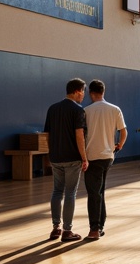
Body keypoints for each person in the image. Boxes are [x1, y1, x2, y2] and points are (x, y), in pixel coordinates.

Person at [44, 78, 89, 242]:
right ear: (77, 91)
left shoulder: (53, 109)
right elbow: (80, 136)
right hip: (72, 158)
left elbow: (47, 135)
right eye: (83, 91)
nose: (83, 95)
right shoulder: (78, 110)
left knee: (57, 191)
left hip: (56, 157)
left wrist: (52, 151)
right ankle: (67, 231)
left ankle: (56, 228)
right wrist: (84, 158)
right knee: (70, 193)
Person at [83, 79, 127, 241]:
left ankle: (94, 229)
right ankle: (100, 226)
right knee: (100, 191)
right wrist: (119, 146)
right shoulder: (115, 109)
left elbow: (82, 135)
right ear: (103, 92)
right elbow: (123, 132)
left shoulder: (86, 111)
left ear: (91, 93)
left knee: (94, 193)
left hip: (92, 156)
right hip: (108, 156)